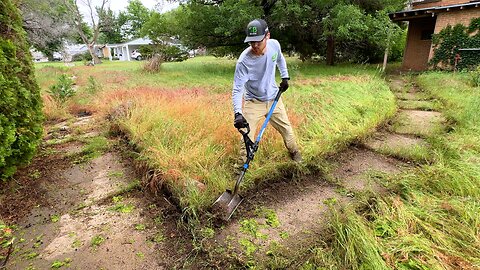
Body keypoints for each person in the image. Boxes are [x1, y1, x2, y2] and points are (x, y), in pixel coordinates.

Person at [232, 18, 302, 164]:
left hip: (273, 99)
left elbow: (280, 59)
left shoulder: (274, 45)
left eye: (259, 41)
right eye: (252, 42)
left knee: (287, 130)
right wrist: (238, 113)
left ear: (267, 36)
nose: (255, 45)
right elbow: (237, 89)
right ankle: (240, 169)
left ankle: (295, 153)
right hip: (253, 102)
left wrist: (285, 77)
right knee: (247, 137)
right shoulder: (244, 62)